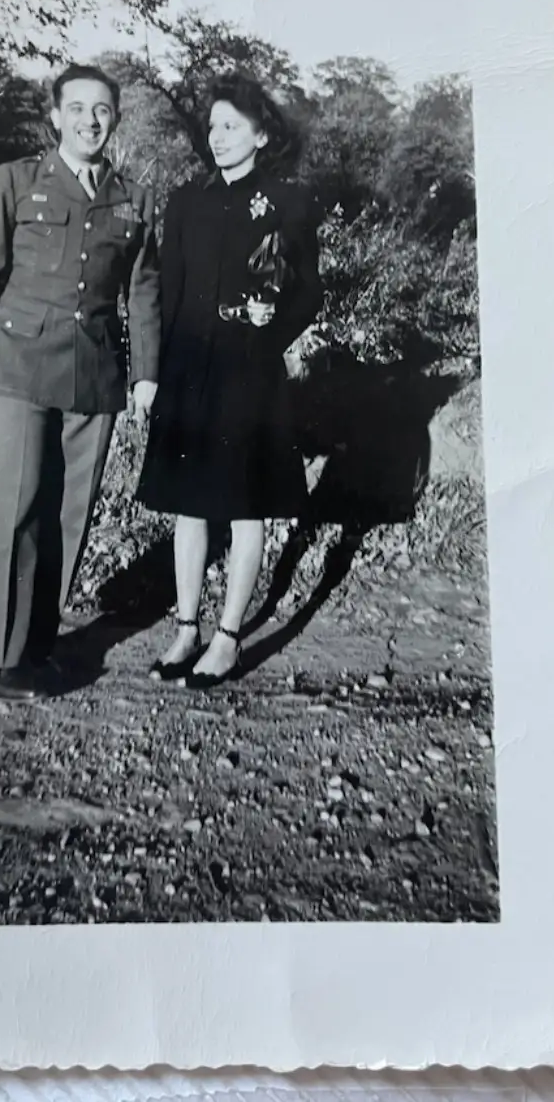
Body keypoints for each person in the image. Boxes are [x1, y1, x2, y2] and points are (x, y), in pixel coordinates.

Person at [0, 63, 161, 700]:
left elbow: (144, 292)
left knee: (69, 521)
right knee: (14, 514)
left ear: (116, 119)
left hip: (95, 377)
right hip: (19, 368)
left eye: (101, 110)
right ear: (55, 115)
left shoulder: (134, 198)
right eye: (77, 108)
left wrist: (147, 373)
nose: (89, 120)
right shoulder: (16, 181)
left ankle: (35, 648)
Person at [138, 75, 322, 688]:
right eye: (213, 126)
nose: (217, 137)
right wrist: (156, 374)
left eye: (232, 126)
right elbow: (166, 292)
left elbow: (308, 293)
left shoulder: (290, 204)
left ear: (262, 134)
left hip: (251, 371)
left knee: (247, 508)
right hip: (191, 369)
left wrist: (275, 325)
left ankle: (228, 638)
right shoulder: (187, 201)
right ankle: (187, 628)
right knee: (190, 505)